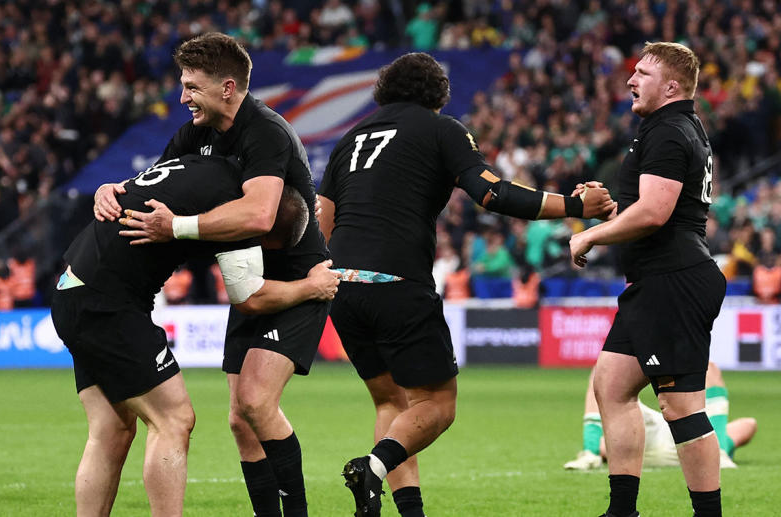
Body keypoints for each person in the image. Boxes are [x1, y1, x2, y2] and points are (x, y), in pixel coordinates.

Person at [315, 52, 615, 517]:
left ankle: (402, 509)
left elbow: (324, 219)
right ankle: (372, 467)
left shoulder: (351, 138)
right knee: (436, 404)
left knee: (392, 404)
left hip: (342, 284)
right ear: (438, 95)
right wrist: (576, 208)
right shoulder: (442, 129)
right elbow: (493, 193)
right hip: (397, 281)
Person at [94, 33, 329, 517]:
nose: (182, 98)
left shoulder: (266, 132)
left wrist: (176, 227)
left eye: (191, 87)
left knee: (256, 402)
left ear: (227, 88)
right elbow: (155, 188)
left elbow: (261, 215)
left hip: (298, 279)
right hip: (244, 276)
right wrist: (110, 189)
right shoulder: (194, 133)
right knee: (241, 422)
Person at [56, 153, 339, 517]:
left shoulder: (204, 164)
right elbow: (249, 296)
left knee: (109, 431)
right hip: (108, 303)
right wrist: (310, 287)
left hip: (69, 288)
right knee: (174, 419)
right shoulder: (242, 210)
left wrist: (105, 190)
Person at [569, 42, 725, 517]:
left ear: (672, 86)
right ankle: (623, 510)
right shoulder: (672, 128)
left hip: (673, 280)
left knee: (682, 407)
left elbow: (656, 213)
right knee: (611, 386)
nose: (630, 80)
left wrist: (591, 234)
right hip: (657, 279)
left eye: (641, 73)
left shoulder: (669, 131)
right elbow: (654, 208)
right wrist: (611, 209)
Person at [564, 362, 757, 471]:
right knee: (711, 370)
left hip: (654, 441)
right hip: (691, 441)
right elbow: (748, 425)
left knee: (603, 371)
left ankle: (590, 453)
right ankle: (719, 453)